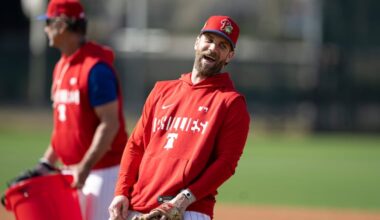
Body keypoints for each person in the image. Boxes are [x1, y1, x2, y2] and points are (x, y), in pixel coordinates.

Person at [108, 15, 250, 220]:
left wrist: (183, 199)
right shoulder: (161, 90)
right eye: (209, 40)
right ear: (197, 42)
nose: (212, 48)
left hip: (188, 209)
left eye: (222, 45)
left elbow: (226, 163)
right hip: (138, 204)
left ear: (229, 56)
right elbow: (136, 146)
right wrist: (121, 192)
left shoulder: (230, 102)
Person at [35, 0, 128, 219]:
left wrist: (85, 167)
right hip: (74, 171)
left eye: (48, 22)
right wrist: (46, 163)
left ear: (62, 25)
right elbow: (64, 126)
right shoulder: (61, 66)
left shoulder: (96, 68)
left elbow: (110, 123)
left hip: (103, 173)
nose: (45, 28)